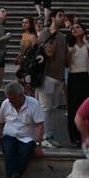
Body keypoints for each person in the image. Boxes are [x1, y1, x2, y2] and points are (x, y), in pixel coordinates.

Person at [0, 81, 44, 178]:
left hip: (27, 137)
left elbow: (40, 125)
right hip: (9, 134)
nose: (10, 101)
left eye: (13, 99)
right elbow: (0, 122)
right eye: (9, 99)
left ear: (21, 95)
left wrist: (38, 144)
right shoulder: (6, 103)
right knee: (8, 150)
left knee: (26, 152)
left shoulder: (34, 104)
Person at [36, 9, 68, 147]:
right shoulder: (45, 34)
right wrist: (54, 36)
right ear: (53, 18)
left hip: (59, 77)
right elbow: (49, 53)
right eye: (60, 16)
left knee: (53, 108)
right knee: (46, 108)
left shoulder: (62, 36)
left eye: (64, 16)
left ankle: (49, 134)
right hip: (47, 76)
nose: (63, 18)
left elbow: (66, 59)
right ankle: (44, 136)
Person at [65, 20, 89, 146]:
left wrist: (84, 41)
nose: (74, 29)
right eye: (72, 28)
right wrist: (70, 52)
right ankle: (75, 138)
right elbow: (67, 63)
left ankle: (88, 134)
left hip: (87, 77)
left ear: (83, 30)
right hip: (73, 77)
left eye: (78, 27)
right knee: (73, 108)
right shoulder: (69, 46)